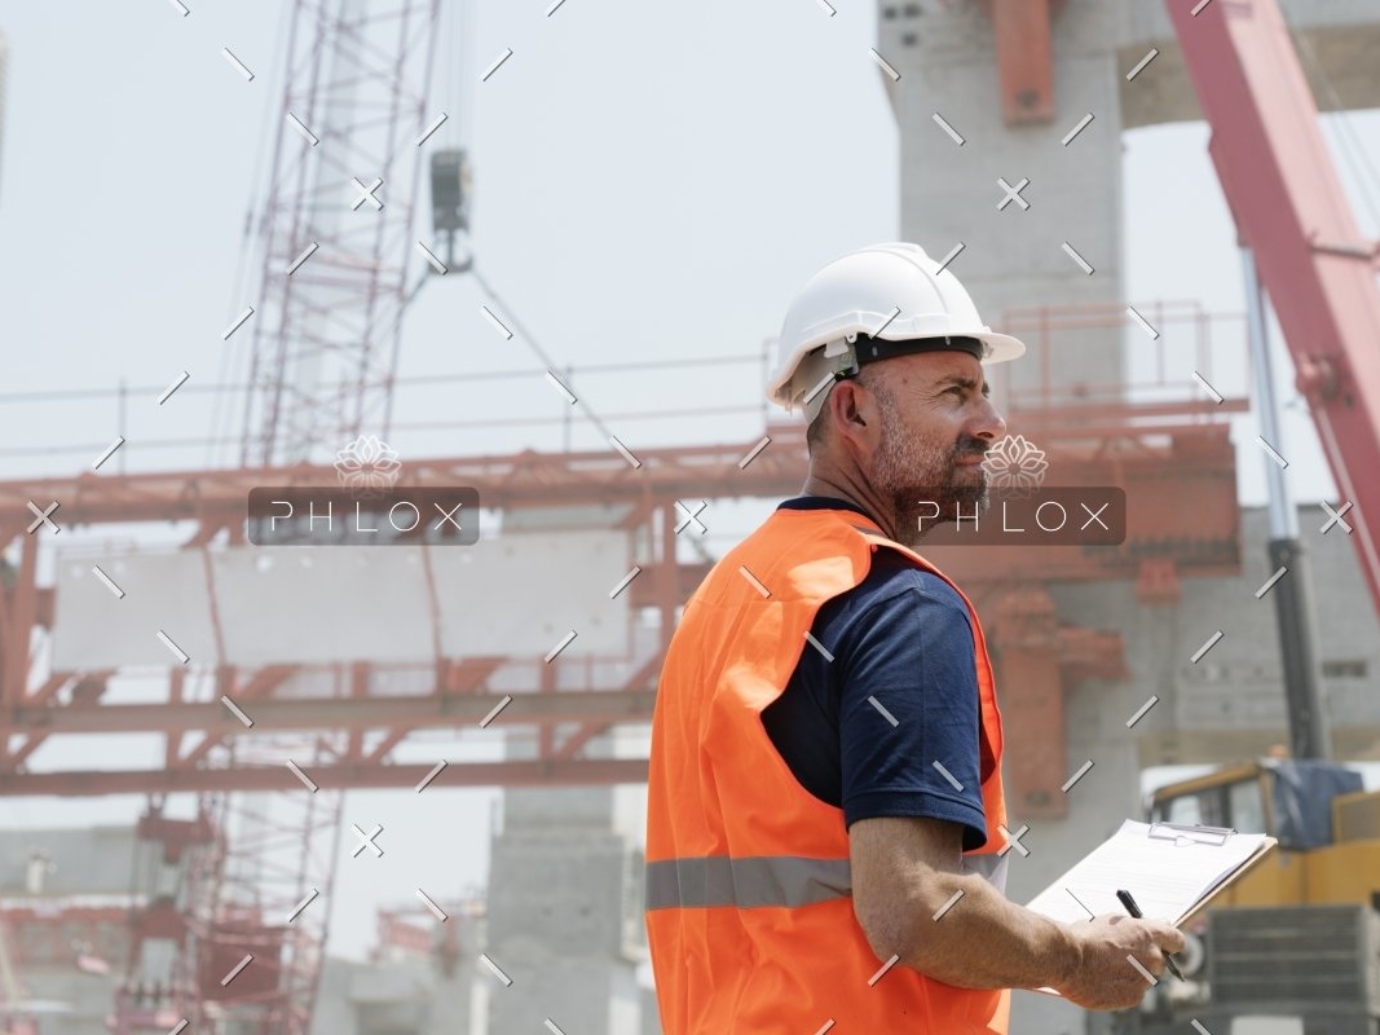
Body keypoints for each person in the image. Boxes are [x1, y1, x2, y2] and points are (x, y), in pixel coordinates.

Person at [643, 243, 1184, 1033]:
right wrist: (1074, 958)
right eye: (955, 393)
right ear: (853, 411)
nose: (992, 424)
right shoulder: (899, 605)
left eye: (985, 392)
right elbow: (916, 908)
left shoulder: (723, 601)